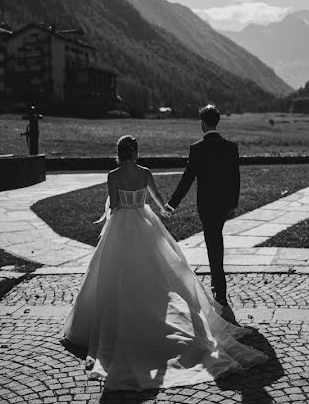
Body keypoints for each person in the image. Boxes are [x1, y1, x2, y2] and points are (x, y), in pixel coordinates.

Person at [62, 135, 267, 391]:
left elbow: (114, 205)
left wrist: (116, 204)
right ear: (135, 152)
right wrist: (165, 209)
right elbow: (157, 199)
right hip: (144, 223)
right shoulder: (145, 172)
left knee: (113, 273)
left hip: (120, 226)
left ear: (119, 153)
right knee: (158, 272)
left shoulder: (113, 175)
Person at [165, 104, 239, 309]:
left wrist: (172, 204)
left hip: (206, 206)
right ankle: (219, 287)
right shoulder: (230, 147)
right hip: (224, 205)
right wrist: (233, 203)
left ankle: (219, 288)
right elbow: (235, 178)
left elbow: (187, 179)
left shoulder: (197, 148)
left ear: (203, 123)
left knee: (213, 242)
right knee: (216, 240)